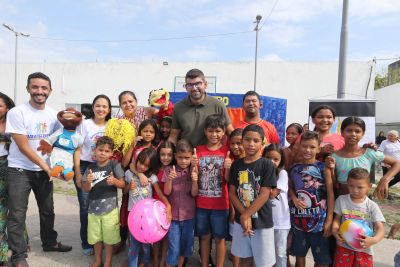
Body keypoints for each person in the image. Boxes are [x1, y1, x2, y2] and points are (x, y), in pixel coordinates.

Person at [6, 72, 72, 267]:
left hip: (44, 171)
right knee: (17, 214)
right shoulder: (17, 112)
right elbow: (24, 146)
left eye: (44, 88)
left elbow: (58, 144)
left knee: (47, 210)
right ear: (28, 89)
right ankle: (18, 256)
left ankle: (50, 242)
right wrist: (46, 166)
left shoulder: (53, 115)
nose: (39, 91)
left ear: (50, 91)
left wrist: (62, 167)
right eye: (35, 87)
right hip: (20, 170)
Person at [229, 124, 277, 267]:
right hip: (241, 221)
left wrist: (246, 215)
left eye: (256, 141)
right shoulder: (236, 165)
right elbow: (232, 193)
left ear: (262, 143)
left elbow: (265, 194)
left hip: (262, 221)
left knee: (264, 263)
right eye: (247, 140)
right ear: (242, 141)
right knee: (245, 258)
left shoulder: (267, 165)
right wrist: (244, 215)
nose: (251, 144)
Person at [289, 131, 334, 267]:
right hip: (299, 221)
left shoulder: (323, 168)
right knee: (299, 256)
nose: (307, 150)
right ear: (299, 146)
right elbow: (290, 187)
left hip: (319, 223)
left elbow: (331, 194)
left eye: (312, 147)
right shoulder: (294, 168)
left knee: (322, 260)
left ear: (319, 148)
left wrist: (329, 219)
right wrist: (293, 198)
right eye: (304, 146)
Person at [75, 94, 112, 256]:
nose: (101, 109)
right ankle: (87, 243)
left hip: (104, 168)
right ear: (92, 107)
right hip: (86, 167)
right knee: (85, 207)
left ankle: (101, 240)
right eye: (98, 105)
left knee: (104, 206)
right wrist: (78, 173)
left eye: (104, 106)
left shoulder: (112, 125)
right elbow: (77, 149)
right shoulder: (84, 124)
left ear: (109, 109)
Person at [82, 136, 125, 267]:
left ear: (112, 153)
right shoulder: (90, 167)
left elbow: (123, 184)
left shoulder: (114, 165)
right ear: (95, 150)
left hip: (110, 210)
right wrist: (88, 182)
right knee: (96, 238)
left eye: (107, 151)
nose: (103, 153)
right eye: (100, 150)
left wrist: (115, 181)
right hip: (93, 210)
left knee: (109, 238)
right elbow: (85, 188)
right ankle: (97, 261)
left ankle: (108, 262)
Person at [124, 148, 171, 267]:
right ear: (137, 160)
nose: (142, 167)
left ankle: (144, 262)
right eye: (141, 163)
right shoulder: (129, 173)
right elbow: (124, 191)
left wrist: (168, 205)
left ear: (151, 167)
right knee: (133, 244)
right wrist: (129, 186)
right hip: (133, 216)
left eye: (146, 166)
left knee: (146, 244)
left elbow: (160, 193)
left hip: (147, 218)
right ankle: (132, 264)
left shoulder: (152, 177)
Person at [328, 117, 400, 196]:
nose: (353, 134)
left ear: (363, 134)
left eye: (357, 131)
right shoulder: (334, 156)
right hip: (340, 203)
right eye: (349, 130)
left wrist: (385, 179)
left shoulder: (369, 153)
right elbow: (331, 182)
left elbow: (397, 163)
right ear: (342, 132)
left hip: (363, 205)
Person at [193, 114, 229, 267]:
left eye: (218, 131)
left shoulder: (227, 151)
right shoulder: (198, 151)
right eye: (210, 131)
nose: (214, 135)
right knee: (204, 237)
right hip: (201, 204)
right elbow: (194, 175)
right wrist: (192, 165)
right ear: (205, 132)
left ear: (223, 133)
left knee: (220, 238)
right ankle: (205, 264)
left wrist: (228, 167)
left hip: (221, 205)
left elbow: (228, 180)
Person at [331, 168, 385, 267]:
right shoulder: (341, 200)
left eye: (360, 187)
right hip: (343, 247)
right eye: (351, 186)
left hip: (364, 249)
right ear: (347, 183)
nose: (355, 190)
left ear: (369, 186)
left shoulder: (372, 206)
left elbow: (380, 228)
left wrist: (374, 240)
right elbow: (336, 221)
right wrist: (335, 232)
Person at [169, 68, 233, 147]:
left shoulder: (218, 105)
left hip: (211, 156)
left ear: (205, 84)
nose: (194, 88)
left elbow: (230, 132)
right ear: (186, 87)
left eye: (198, 83)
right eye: (190, 85)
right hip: (187, 156)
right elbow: (173, 136)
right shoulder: (178, 107)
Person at [163, 139, 198, 267]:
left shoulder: (193, 171)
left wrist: (195, 181)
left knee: (185, 246)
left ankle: (180, 265)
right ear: (175, 156)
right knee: (173, 247)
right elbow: (166, 192)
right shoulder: (169, 170)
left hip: (189, 216)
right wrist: (169, 180)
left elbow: (194, 194)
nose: (184, 161)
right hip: (173, 218)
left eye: (187, 158)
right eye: (180, 157)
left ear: (191, 157)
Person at [263, 144, 290, 267]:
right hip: (264, 221)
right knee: (265, 253)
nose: (271, 162)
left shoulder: (282, 173)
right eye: (268, 158)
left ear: (281, 161)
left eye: (275, 159)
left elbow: (272, 194)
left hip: (281, 222)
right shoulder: (261, 172)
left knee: (280, 253)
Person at [152, 141, 175, 267]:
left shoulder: (174, 169)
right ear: (158, 155)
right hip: (155, 206)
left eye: (169, 155)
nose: (165, 158)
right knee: (156, 235)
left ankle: (162, 261)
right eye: (162, 154)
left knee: (165, 235)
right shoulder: (154, 168)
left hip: (168, 206)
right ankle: (156, 260)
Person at [0, 92, 15, 265]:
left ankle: (19, 241)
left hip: (10, 166)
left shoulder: (13, 123)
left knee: (14, 205)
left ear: (7, 108)